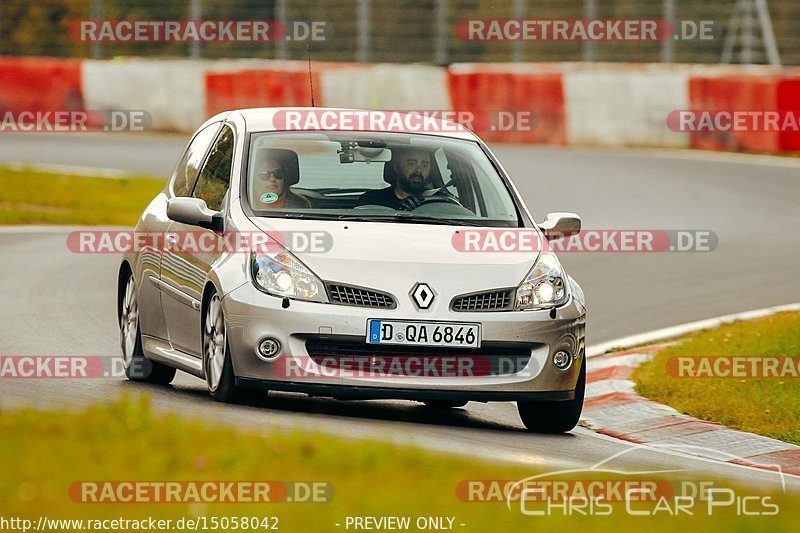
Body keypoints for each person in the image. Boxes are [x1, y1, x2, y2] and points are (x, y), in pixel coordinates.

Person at [356, 147, 435, 210]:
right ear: (397, 167)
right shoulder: (372, 200)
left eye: (425, 166)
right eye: (411, 164)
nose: (419, 170)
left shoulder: (436, 201)